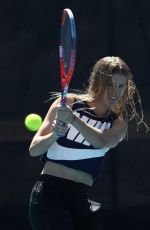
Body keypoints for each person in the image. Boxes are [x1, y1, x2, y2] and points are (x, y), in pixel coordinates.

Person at [28, 56, 149, 230]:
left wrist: (74, 121)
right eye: (110, 85)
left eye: (121, 86)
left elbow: (101, 142)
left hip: (79, 198)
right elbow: (34, 149)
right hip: (48, 195)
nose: (115, 91)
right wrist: (54, 135)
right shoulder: (67, 103)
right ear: (97, 82)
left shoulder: (118, 123)